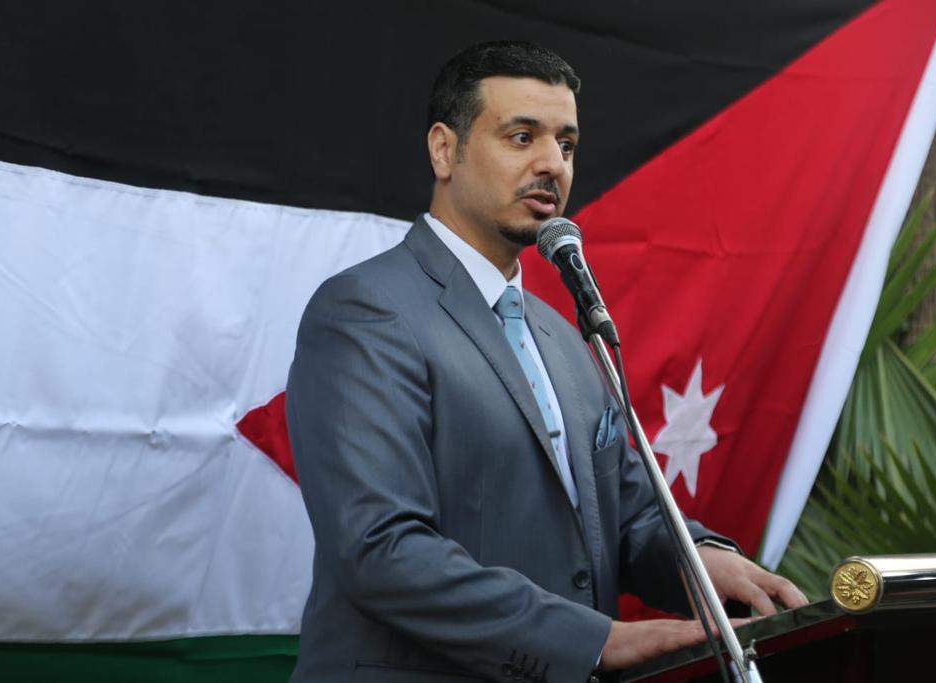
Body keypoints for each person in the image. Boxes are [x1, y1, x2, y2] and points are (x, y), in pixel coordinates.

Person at [286, 41, 807, 683]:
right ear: (444, 150)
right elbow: (380, 547)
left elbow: (628, 517)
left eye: (566, 144)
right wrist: (592, 641)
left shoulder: (564, 336)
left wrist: (699, 562)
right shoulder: (366, 311)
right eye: (521, 136)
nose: (551, 164)